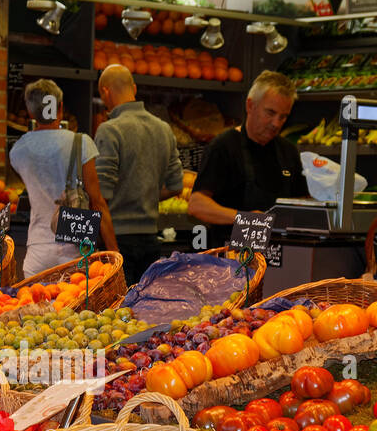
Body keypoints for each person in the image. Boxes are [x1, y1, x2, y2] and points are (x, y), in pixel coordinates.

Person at [8, 78, 117, 277]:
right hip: (76, 249)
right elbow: (97, 202)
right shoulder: (81, 142)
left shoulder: (18, 150)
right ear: (60, 108)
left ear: (31, 112)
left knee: (35, 308)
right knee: (75, 307)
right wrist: (114, 254)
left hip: (37, 251)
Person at [188, 70, 309, 247]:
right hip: (231, 261)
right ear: (250, 105)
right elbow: (197, 205)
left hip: (279, 257)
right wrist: (244, 219)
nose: (276, 123)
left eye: (283, 117)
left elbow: (302, 202)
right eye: (270, 112)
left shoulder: (288, 151)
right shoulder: (223, 146)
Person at [94, 65, 184, 284]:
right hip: (150, 239)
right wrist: (147, 193)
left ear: (105, 92)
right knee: (144, 310)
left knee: (116, 311)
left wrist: (112, 251)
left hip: (116, 237)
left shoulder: (109, 130)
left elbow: (100, 196)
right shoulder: (163, 128)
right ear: (133, 88)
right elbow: (176, 186)